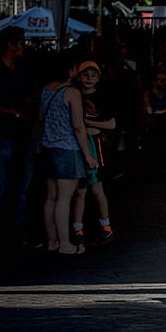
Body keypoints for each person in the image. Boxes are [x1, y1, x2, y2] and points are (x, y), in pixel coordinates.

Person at [0, 26, 38, 252]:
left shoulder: (23, 70)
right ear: (10, 45)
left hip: (21, 136)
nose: (24, 47)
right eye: (22, 43)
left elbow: (33, 93)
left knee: (20, 191)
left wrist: (29, 102)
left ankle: (20, 236)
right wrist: (16, 113)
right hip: (2, 136)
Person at [40, 51, 98, 255]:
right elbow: (78, 127)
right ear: (69, 68)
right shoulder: (72, 92)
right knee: (65, 199)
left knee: (52, 197)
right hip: (67, 150)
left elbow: (41, 117)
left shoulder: (46, 89)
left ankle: (52, 241)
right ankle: (65, 244)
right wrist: (88, 155)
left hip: (47, 147)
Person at [70, 61, 116, 246]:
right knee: (80, 189)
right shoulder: (73, 95)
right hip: (77, 145)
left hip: (96, 144)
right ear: (78, 76)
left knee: (97, 189)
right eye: (85, 75)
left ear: (98, 78)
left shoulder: (102, 97)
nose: (89, 79)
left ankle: (106, 227)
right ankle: (77, 229)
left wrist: (89, 124)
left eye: (93, 75)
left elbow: (112, 124)